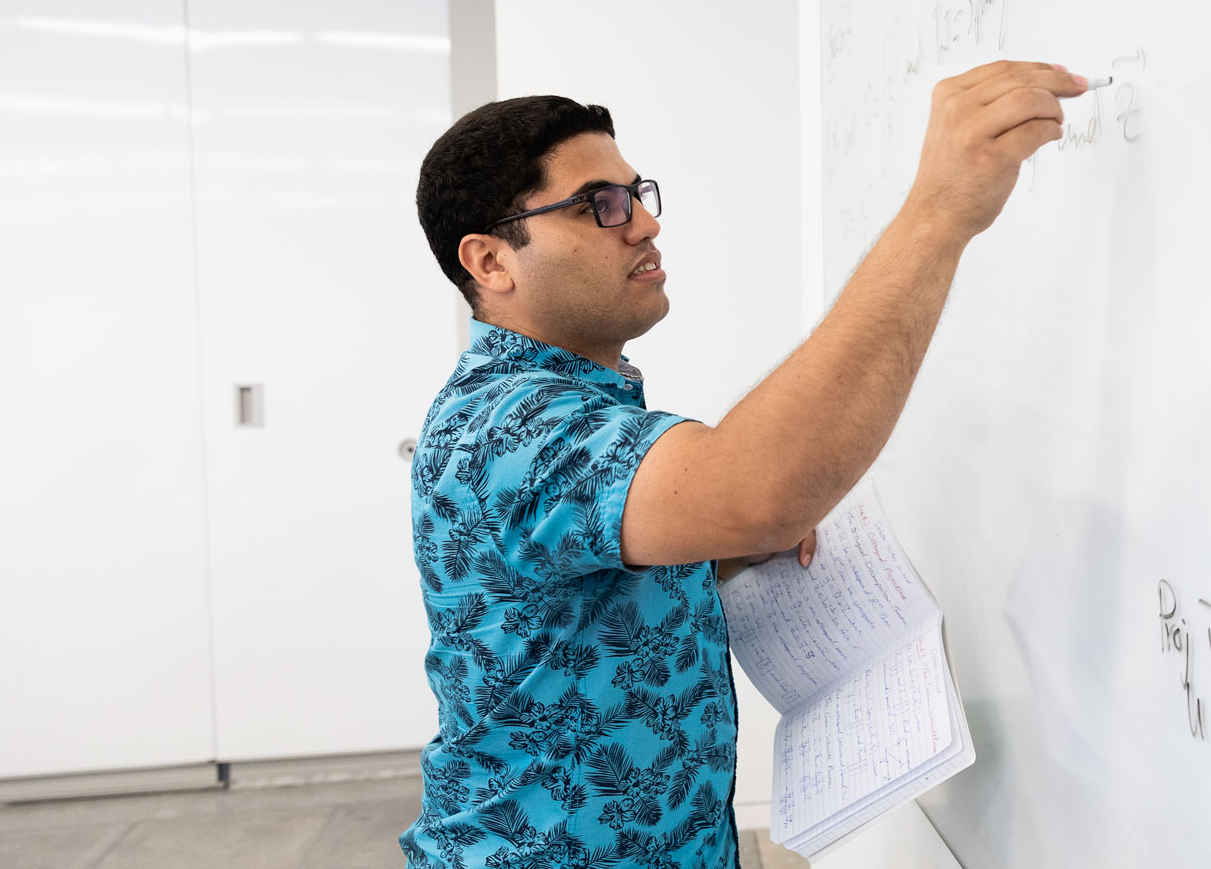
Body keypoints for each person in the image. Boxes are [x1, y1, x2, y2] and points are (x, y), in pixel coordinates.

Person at [401, 61, 1088, 868]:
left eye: (636, 193)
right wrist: (938, 214)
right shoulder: (509, 426)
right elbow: (757, 489)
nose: (644, 224)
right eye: (599, 206)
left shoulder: (570, 403)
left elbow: (577, 588)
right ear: (490, 263)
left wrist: (722, 551)